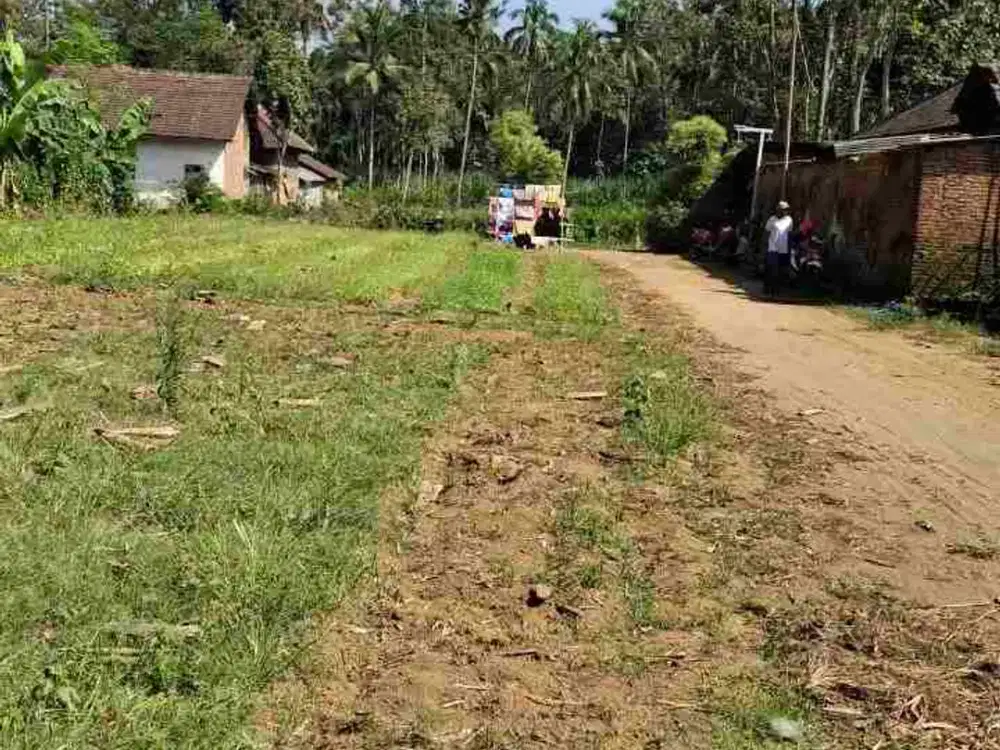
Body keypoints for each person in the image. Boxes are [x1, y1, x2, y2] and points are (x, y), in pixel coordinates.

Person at [764, 200, 793, 296]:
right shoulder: (772, 219)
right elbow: (766, 232)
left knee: (781, 270)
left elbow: (789, 234)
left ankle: (776, 290)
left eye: (786, 210)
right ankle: (769, 289)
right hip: (772, 248)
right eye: (783, 209)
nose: (785, 211)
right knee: (773, 269)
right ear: (778, 210)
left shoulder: (789, 220)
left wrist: (789, 249)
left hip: (783, 249)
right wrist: (764, 246)